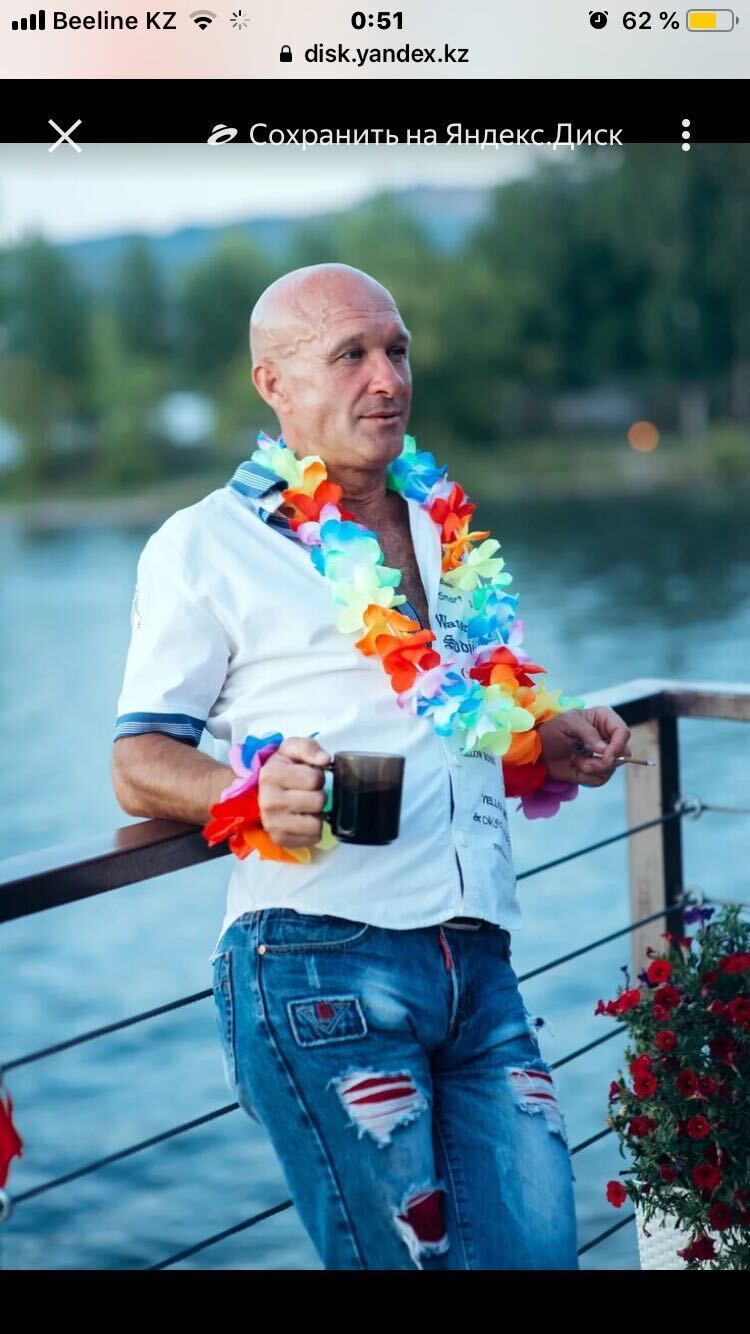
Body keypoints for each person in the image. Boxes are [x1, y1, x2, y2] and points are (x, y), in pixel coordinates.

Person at [111, 263, 631, 1270]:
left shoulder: (444, 525)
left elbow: (453, 715)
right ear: (273, 382)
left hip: (479, 963)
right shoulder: (204, 544)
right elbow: (137, 762)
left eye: (396, 350)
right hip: (321, 963)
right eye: (350, 354)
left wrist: (543, 737)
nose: (387, 378)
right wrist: (248, 793)